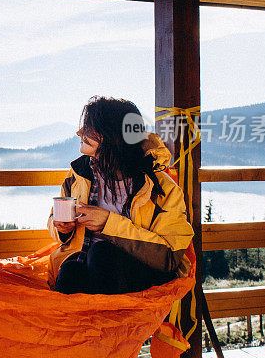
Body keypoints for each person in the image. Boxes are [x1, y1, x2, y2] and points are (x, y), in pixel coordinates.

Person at [47, 96, 194, 295]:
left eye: (91, 127)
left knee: (101, 254)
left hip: (139, 275)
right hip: (88, 266)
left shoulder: (161, 187)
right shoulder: (79, 174)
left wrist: (108, 224)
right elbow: (54, 221)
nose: (80, 132)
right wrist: (63, 229)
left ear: (115, 135)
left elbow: (169, 256)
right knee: (70, 271)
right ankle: (79, 327)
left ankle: (112, 324)